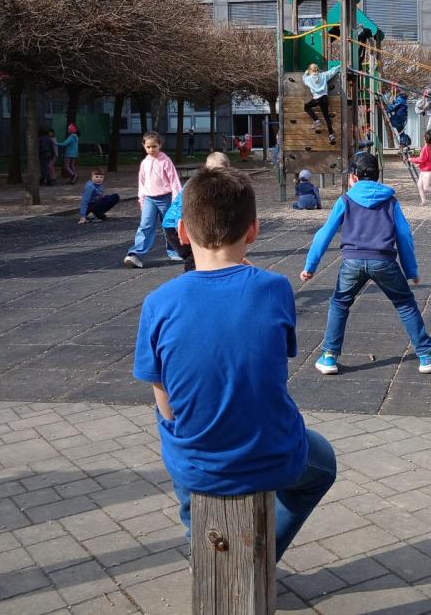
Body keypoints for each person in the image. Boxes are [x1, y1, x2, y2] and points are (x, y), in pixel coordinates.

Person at [133, 168, 336, 562]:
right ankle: (260, 555)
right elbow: (269, 365)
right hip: (271, 452)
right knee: (322, 465)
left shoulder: (158, 303)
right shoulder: (275, 288)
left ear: (183, 232)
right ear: (253, 231)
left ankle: (201, 544)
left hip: (195, 463)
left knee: (178, 435)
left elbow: (165, 402)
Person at [300, 152, 431, 376]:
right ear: (377, 177)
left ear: (353, 177)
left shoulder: (345, 201)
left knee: (339, 304)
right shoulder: (390, 201)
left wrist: (310, 266)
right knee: (405, 303)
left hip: (352, 262)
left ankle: (329, 356)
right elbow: (404, 235)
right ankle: (426, 355)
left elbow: (324, 233)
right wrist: (411, 270)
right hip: (384, 261)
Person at [162, 151, 231, 270]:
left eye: (220, 172)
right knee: (194, 257)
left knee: (201, 256)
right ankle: (191, 277)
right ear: (206, 169)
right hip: (174, 226)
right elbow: (183, 205)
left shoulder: (213, 184)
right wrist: (180, 226)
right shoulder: (197, 184)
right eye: (213, 171)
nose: (216, 176)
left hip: (183, 225)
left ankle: (197, 275)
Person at [124, 132, 181, 268]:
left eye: (154, 146)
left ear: (160, 145)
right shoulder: (144, 163)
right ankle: (136, 254)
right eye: (148, 147)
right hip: (149, 199)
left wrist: (176, 200)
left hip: (165, 198)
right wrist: (142, 200)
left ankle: (175, 251)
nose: (151, 149)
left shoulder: (165, 161)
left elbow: (174, 181)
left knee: (169, 225)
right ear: (144, 146)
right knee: (145, 225)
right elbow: (142, 183)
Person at [302, 63, 340, 144]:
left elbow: (303, 79)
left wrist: (306, 72)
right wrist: (340, 66)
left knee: (306, 107)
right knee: (326, 116)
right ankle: (331, 135)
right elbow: (332, 71)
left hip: (316, 98)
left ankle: (316, 120)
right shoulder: (323, 75)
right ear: (318, 69)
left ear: (310, 70)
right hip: (324, 98)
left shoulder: (308, 78)